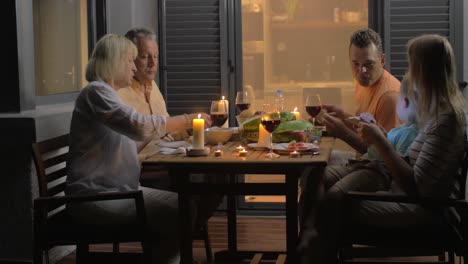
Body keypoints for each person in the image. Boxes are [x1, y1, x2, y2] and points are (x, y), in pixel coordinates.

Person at [300, 34, 466, 264]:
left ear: (426, 72)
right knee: (316, 177)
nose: (408, 75)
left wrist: (379, 139)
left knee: (331, 203)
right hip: (399, 187)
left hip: (423, 208)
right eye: (355, 64)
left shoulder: (443, 123)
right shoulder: (437, 112)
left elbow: (418, 188)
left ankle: (313, 255)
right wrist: (367, 129)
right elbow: (402, 149)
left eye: (412, 66)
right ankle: (309, 251)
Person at [65, 34, 201, 264]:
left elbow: (131, 138)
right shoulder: (96, 92)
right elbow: (139, 126)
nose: (133, 66)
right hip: (95, 198)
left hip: (121, 190)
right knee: (182, 210)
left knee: (186, 206)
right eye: (130, 60)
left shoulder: (109, 94)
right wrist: (187, 120)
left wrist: (165, 137)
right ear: (115, 62)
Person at [118, 27, 211, 152]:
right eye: (145, 57)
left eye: (155, 56)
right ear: (130, 58)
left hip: (163, 159)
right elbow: (143, 132)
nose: (153, 63)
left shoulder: (152, 86)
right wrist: (187, 120)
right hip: (141, 166)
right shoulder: (119, 92)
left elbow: (166, 134)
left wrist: (191, 128)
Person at [321, 28, 401, 154]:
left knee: (317, 167)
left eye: (368, 64)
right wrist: (343, 116)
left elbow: (383, 156)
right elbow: (365, 130)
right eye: (356, 64)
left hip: (378, 170)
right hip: (363, 162)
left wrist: (343, 133)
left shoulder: (389, 98)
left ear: (382, 60)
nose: (361, 71)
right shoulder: (363, 82)